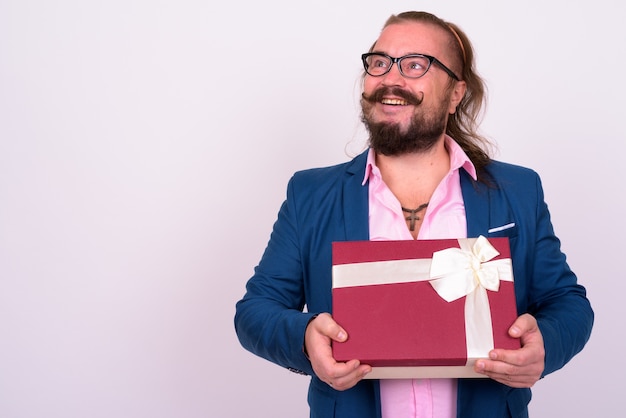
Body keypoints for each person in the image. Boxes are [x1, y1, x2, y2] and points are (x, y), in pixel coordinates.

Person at [234, 10, 593, 418]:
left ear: (456, 93)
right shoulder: (311, 194)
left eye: (416, 65)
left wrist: (544, 343)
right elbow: (255, 311)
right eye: (379, 62)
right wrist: (305, 337)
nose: (391, 78)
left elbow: (567, 302)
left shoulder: (517, 191)